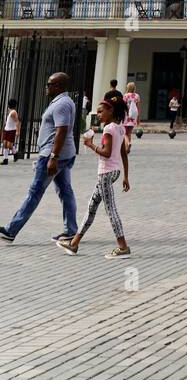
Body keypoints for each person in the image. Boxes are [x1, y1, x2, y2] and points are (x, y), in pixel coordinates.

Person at [0, 72, 78, 243]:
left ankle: (11, 230)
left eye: (49, 84)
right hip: (64, 154)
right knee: (65, 191)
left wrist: (53, 157)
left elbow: (61, 130)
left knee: (35, 192)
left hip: (53, 155)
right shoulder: (64, 101)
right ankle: (71, 230)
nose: (46, 87)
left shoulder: (61, 105)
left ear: (58, 86)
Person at [58, 98, 131, 258]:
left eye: (100, 111)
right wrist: (125, 176)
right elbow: (123, 153)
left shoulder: (108, 130)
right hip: (114, 171)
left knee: (111, 209)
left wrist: (90, 144)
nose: (98, 114)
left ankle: (123, 246)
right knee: (91, 208)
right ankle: (74, 244)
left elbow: (107, 153)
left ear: (110, 111)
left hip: (106, 173)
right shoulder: (120, 128)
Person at [122, 83, 141, 152]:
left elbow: (123, 107)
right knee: (129, 133)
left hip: (126, 117)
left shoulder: (125, 96)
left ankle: (128, 144)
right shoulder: (137, 96)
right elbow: (138, 108)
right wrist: (138, 118)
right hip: (133, 117)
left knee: (124, 133)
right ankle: (127, 148)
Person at [1, 100, 19, 165]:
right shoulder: (10, 111)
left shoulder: (13, 112)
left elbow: (17, 121)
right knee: (5, 144)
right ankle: (5, 160)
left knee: (9, 145)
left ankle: (15, 153)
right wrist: (4, 127)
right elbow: (8, 121)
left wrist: (17, 131)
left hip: (11, 130)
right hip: (7, 129)